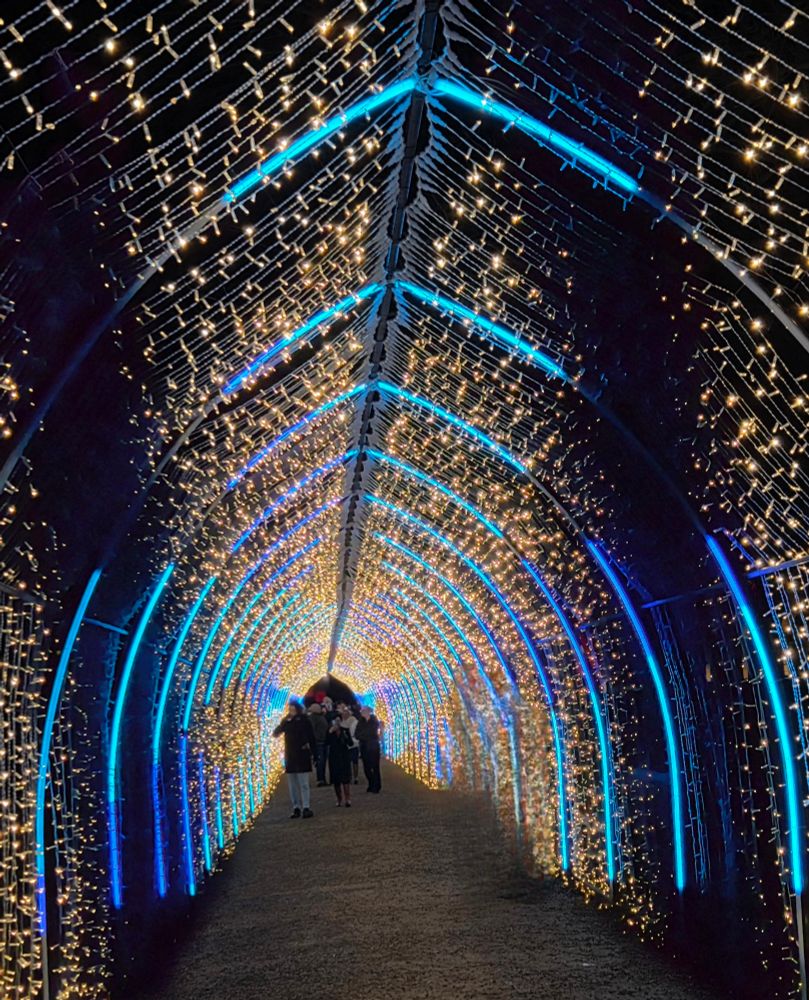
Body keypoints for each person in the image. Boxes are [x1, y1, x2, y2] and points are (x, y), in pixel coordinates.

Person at [272, 700, 315, 818]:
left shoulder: (304, 720)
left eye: (292, 709)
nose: (291, 711)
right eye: (289, 709)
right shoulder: (286, 721)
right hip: (290, 755)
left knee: (303, 783)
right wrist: (283, 724)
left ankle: (306, 806)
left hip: (301, 754)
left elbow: (311, 736)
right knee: (292, 784)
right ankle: (296, 807)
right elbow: (277, 732)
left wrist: (314, 752)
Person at [326, 716, 353, 806]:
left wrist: (345, 737)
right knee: (336, 779)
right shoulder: (329, 731)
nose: (337, 723)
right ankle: (339, 798)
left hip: (344, 756)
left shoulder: (345, 730)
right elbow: (326, 742)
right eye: (335, 720)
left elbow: (350, 743)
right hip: (334, 757)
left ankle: (347, 798)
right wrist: (330, 732)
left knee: (345, 778)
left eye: (338, 720)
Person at [355, 705, 382, 793]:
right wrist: (364, 736)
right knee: (366, 767)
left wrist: (363, 735)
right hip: (364, 746)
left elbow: (372, 733)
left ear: (368, 712)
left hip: (373, 747)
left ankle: (376, 785)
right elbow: (357, 734)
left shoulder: (374, 721)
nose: (362, 712)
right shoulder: (360, 722)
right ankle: (371, 783)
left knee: (375, 766)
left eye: (363, 711)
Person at [307, 702, 329, 786]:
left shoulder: (320, 717)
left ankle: (322, 779)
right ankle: (320, 779)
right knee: (320, 761)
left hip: (323, 741)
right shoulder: (313, 718)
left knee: (323, 762)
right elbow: (312, 730)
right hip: (319, 742)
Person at [338, 703, 360, 784]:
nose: (344, 714)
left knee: (354, 761)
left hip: (353, 743)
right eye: (343, 713)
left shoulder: (354, 721)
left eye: (346, 713)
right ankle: (349, 776)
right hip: (345, 744)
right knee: (346, 761)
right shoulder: (341, 722)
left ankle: (355, 777)